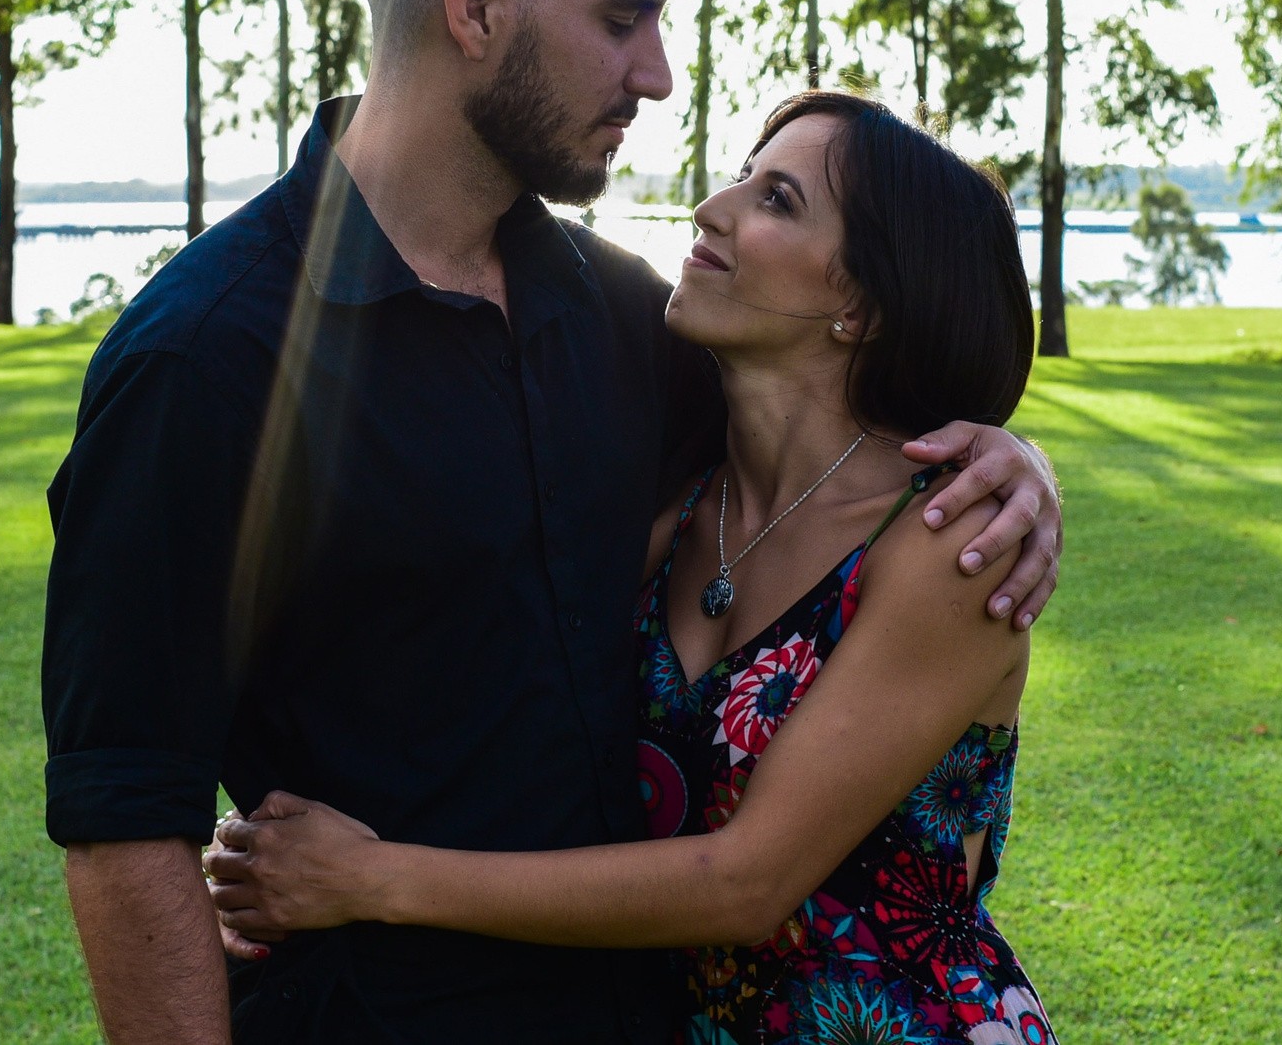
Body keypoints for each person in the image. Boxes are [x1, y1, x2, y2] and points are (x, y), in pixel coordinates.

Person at [40, 0, 1064, 1045]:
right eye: (624, 17)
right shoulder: (204, 359)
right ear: (475, 6)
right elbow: (125, 823)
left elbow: (846, 422)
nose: (659, 73)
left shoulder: (626, 317)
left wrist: (1013, 457)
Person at [204, 91, 1059, 1045]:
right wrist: (284, 853)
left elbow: (745, 882)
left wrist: (369, 880)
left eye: (776, 198)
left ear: (858, 303)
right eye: (742, 173)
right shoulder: (678, 507)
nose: (713, 207)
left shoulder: (954, 541)